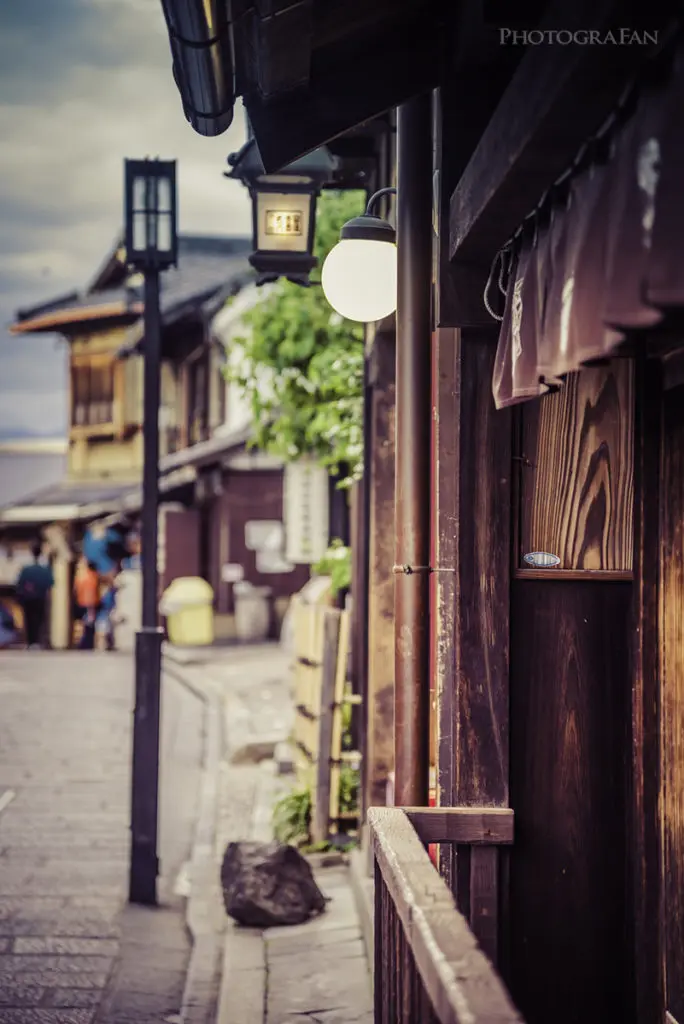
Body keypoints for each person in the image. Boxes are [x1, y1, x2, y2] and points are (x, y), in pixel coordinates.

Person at [15, 542, 54, 649]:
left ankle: (31, 641)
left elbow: (20, 583)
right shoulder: (45, 570)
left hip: (28, 598)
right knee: (39, 620)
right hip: (40, 598)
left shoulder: (26, 569)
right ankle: (38, 641)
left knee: (29, 619)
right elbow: (50, 583)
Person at [74, 557, 100, 651]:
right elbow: (91, 592)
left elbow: (76, 590)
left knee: (84, 625)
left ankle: (83, 643)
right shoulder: (92, 576)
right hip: (89, 604)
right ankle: (87, 644)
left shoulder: (79, 576)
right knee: (89, 626)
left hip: (81, 602)